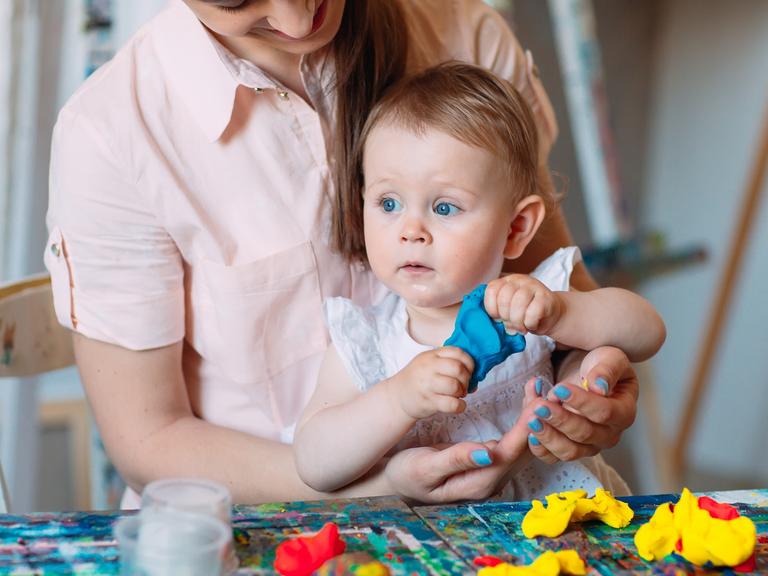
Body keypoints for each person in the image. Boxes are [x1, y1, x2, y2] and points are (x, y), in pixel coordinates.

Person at [45, 0, 642, 507]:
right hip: (259, 527)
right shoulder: (112, 135)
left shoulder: (465, 34)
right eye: (236, 0)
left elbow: (565, 300)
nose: (298, 18)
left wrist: (584, 385)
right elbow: (149, 441)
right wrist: (381, 485)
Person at [293, 63, 665, 500]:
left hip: (557, 524)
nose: (411, 230)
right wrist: (398, 400)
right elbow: (313, 462)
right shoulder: (368, 341)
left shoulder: (530, 304)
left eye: (445, 208)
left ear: (516, 229)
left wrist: (563, 311)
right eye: (388, 202)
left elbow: (648, 331)